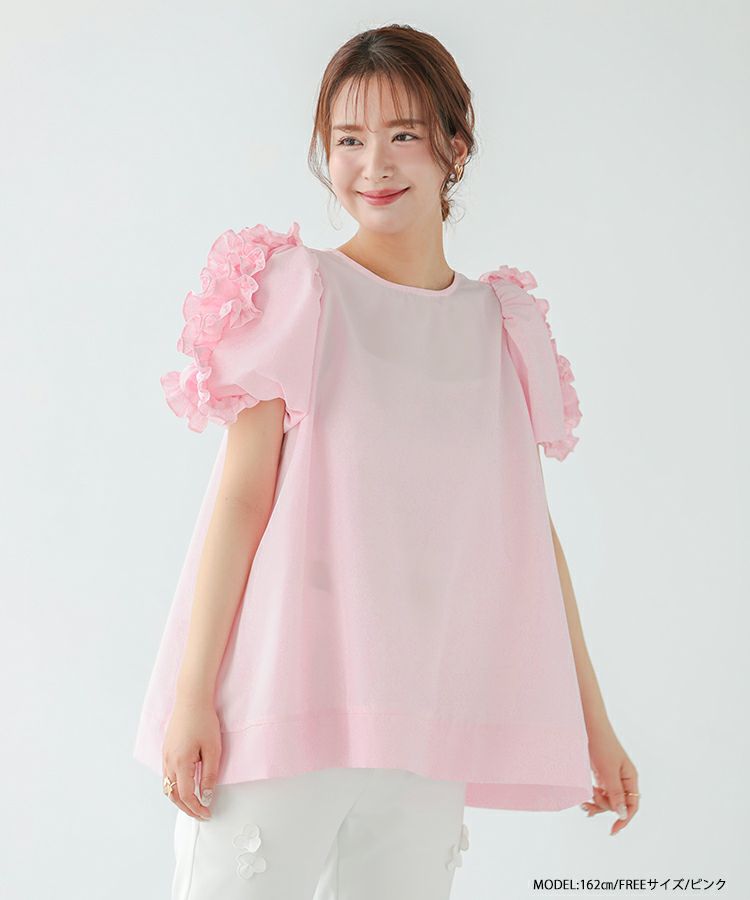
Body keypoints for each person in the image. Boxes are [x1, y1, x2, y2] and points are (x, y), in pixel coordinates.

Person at [133, 23, 640, 900]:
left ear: (455, 147)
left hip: (422, 733)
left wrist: (594, 724)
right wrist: (192, 696)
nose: (373, 165)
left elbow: (530, 538)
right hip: (275, 713)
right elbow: (241, 501)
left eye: (403, 135)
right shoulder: (300, 291)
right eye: (348, 139)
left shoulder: (500, 328)